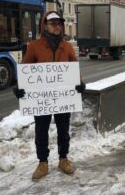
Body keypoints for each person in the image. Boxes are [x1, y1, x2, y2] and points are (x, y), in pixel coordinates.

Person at [13, 11, 86, 180]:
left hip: (62, 97)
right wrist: (18, 87)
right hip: (42, 99)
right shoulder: (34, 46)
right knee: (41, 130)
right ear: (44, 25)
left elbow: (74, 68)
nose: (58, 26)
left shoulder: (67, 46)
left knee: (63, 128)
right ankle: (42, 162)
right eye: (53, 23)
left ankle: (63, 159)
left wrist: (80, 83)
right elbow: (26, 68)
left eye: (59, 23)